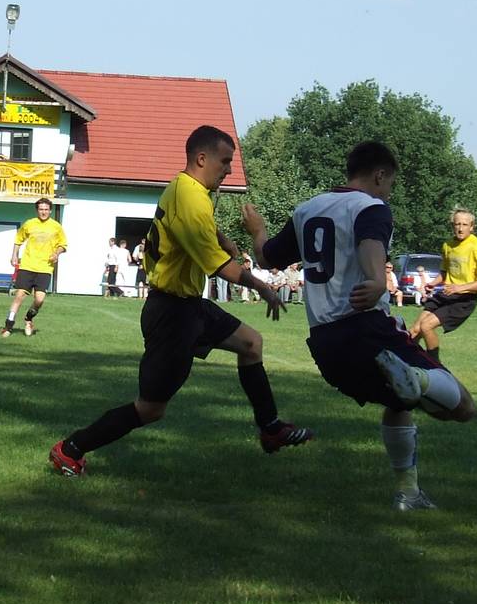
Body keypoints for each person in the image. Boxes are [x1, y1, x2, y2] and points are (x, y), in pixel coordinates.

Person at [49, 124, 313, 477]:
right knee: (150, 409)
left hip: (188, 306)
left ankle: (271, 428)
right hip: (171, 314)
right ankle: (70, 449)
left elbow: (196, 225)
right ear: (201, 158)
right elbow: (219, 267)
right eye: (225, 161)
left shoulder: (185, 188)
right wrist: (261, 286)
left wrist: (222, 238)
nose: (229, 169)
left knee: (251, 343)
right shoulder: (191, 197)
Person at [243, 141, 477, 511]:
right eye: (390, 183)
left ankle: (409, 495)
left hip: (325, 345)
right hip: (367, 328)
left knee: (397, 403)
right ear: (379, 175)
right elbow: (370, 244)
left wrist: (258, 229)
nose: (389, 192)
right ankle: (419, 380)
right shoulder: (371, 207)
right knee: (463, 406)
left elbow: (266, 256)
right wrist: (377, 279)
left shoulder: (307, 209)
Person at [408, 210, 477, 352]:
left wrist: (458, 288)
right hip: (446, 294)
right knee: (414, 330)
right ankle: (409, 359)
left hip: (463, 299)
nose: (460, 228)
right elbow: (445, 272)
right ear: (452, 225)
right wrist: (433, 283)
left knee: (426, 326)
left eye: (465, 225)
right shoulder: (448, 245)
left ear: (472, 227)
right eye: (457, 224)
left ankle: (434, 362)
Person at [1, 197, 68, 337]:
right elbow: (18, 240)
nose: (43, 212)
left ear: (50, 211)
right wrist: (14, 255)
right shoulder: (29, 224)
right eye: (41, 209)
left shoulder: (56, 226)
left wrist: (56, 253)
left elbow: (63, 245)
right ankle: (8, 326)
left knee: (39, 299)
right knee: (19, 295)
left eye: (46, 209)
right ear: (37, 210)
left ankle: (28, 319)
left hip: (45, 267)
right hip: (27, 265)